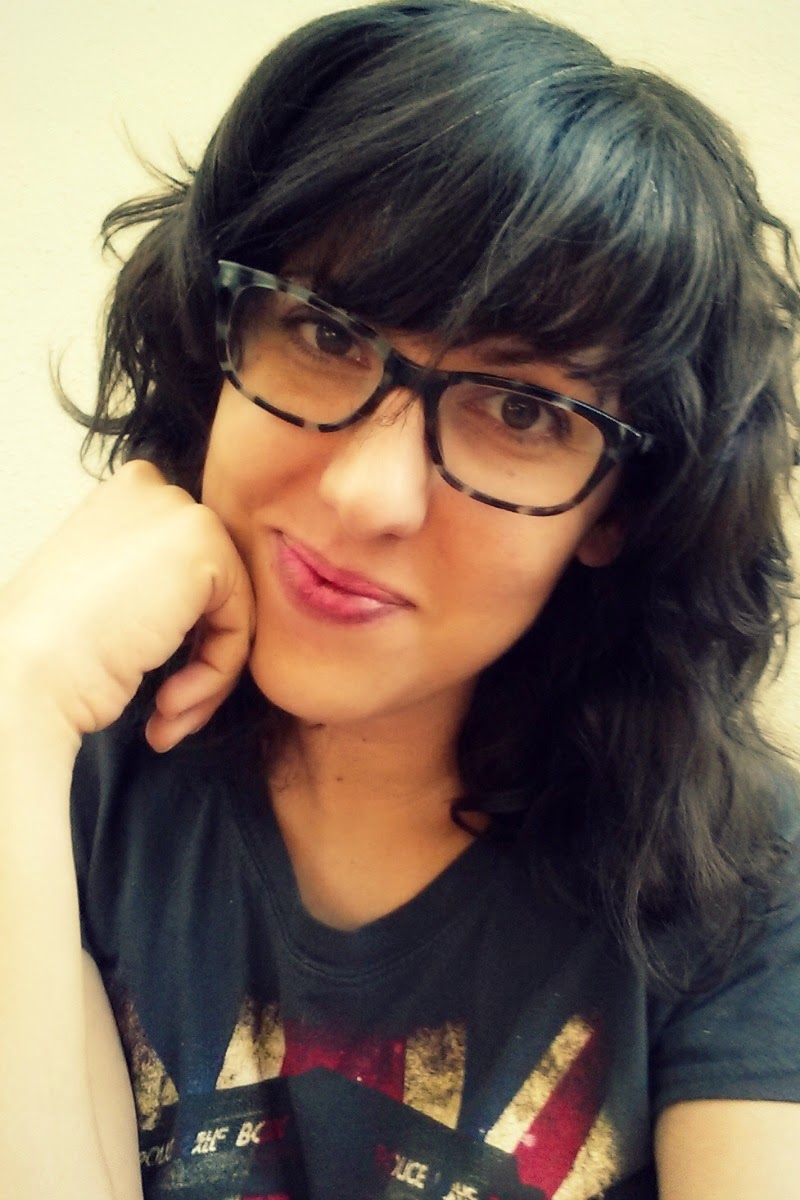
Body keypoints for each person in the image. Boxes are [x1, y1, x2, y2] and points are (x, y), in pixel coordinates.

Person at [1, 1, 799, 1196]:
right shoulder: (68, 779)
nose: (366, 493)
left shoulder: (745, 887)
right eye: (325, 333)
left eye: (520, 410)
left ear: (620, 507)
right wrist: (13, 701)